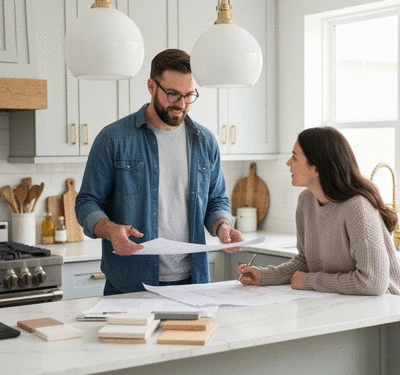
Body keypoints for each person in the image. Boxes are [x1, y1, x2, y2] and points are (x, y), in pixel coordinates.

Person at [76, 49, 242, 295]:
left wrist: (222, 226)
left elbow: (216, 200)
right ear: (151, 86)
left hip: (192, 284)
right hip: (129, 285)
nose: (181, 104)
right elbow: (86, 203)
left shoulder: (205, 141)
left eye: (189, 95)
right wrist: (111, 230)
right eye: (173, 94)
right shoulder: (113, 139)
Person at [237, 126, 400, 295]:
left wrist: (310, 280)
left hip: (384, 310)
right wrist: (265, 276)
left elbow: (373, 282)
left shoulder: (357, 207)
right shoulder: (306, 201)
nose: (288, 163)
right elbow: (305, 261)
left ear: (316, 168)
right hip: (343, 304)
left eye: (294, 157)